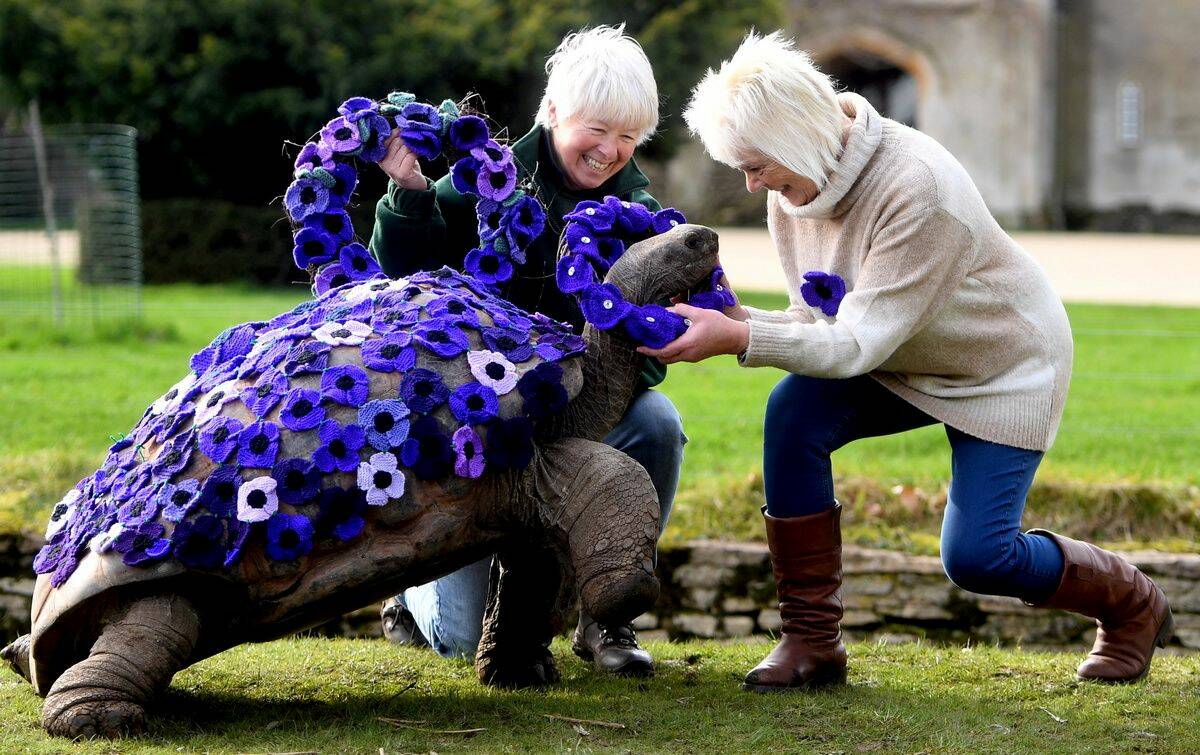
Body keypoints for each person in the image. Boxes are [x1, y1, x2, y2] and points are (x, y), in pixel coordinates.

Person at [642, 31, 1173, 691]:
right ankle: (810, 643)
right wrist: (742, 319)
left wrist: (739, 340)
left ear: (798, 136)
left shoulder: (918, 190)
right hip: (900, 348)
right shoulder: (795, 187)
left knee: (978, 557)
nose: (753, 186)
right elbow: (825, 319)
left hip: (1000, 367)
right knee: (795, 411)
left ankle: (1132, 603)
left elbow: (857, 343)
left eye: (756, 165)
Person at [369, 24, 685, 677]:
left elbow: (648, 352)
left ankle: (605, 615)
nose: (611, 152)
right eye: (597, 129)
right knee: (462, 638)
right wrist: (409, 197)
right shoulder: (486, 182)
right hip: (477, 421)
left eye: (629, 137)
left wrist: (618, 359)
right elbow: (398, 290)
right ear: (552, 113)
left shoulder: (642, 216)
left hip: (582, 410)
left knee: (658, 424)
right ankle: (408, 595)